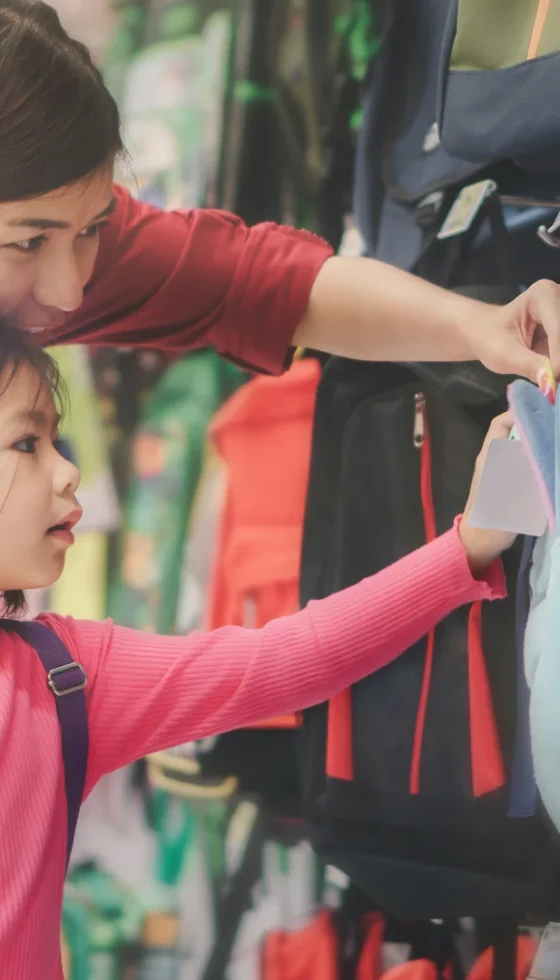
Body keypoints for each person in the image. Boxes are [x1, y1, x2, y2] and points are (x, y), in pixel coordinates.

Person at [0, 321, 512, 977]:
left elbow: (284, 659)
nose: (70, 471)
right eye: (25, 442)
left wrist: (466, 549)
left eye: (55, 440)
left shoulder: (62, 678)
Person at [0, 0, 558, 385]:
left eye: (92, 229)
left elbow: (261, 283)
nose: (70, 293)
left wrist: (485, 326)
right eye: (27, 244)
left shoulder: (63, 237)